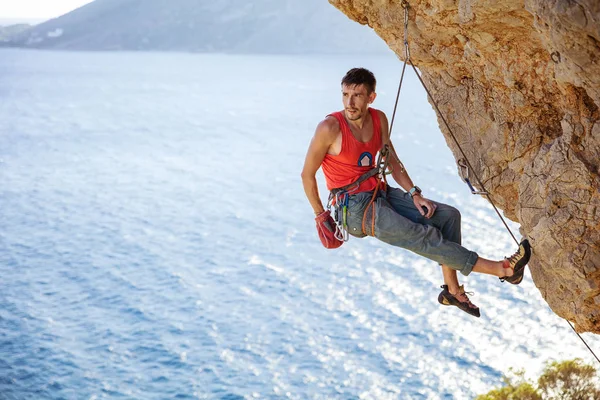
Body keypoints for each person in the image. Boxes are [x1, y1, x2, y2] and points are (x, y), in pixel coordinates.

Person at [300, 67, 531, 318]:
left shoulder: (379, 120)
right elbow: (306, 175)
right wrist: (320, 215)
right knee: (425, 236)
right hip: (354, 209)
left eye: (357, 95)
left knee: (447, 216)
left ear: (371, 98)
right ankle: (505, 270)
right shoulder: (330, 127)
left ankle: (452, 290)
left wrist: (414, 194)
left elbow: (393, 162)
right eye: (345, 94)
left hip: (380, 192)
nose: (350, 102)